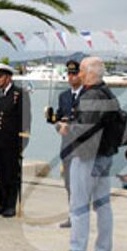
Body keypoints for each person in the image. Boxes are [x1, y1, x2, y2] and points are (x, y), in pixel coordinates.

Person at [52, 57, 117, 251]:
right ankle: (103, 250)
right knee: (103, 204)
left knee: (79, 205)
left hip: (87, 156)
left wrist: (66, 128)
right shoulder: (107, 93)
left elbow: (85, 129)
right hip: (106, 154)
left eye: (80, 70)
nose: (78, 74)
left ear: (89, 73)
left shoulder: (90, 96)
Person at [0, 63, 31, 218]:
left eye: (0, 77)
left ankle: (11, 204)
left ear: (9, 77)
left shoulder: (19, 94)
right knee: (0, 173)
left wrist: (23, 141)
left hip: (11, 141)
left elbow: (25, 119)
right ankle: (2, 203)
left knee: (11, 173)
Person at [48, 60, 83, 228]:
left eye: (74, 73)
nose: (71, 77)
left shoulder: (88, 95)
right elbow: (59, 118)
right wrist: (54, 122)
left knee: (81, 185)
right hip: (67, 146)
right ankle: (72, 216)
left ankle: (80, 217)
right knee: (69, 184)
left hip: (83, 147)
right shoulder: (64, 97)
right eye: (69, 74)